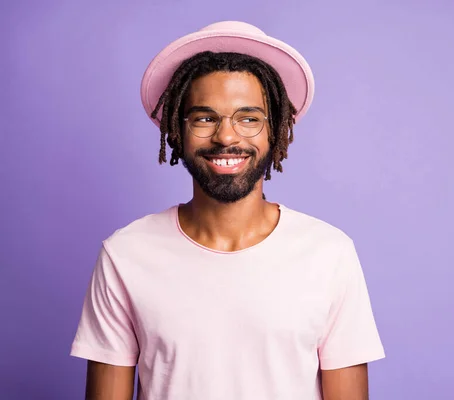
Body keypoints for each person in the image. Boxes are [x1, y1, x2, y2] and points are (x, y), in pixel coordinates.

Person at [70, 21, 385, 400]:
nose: (226, 136)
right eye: (204, 118)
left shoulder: (329, 253)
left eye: (248, 118)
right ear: (176, 131)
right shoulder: (125, 254)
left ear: (277, 131)